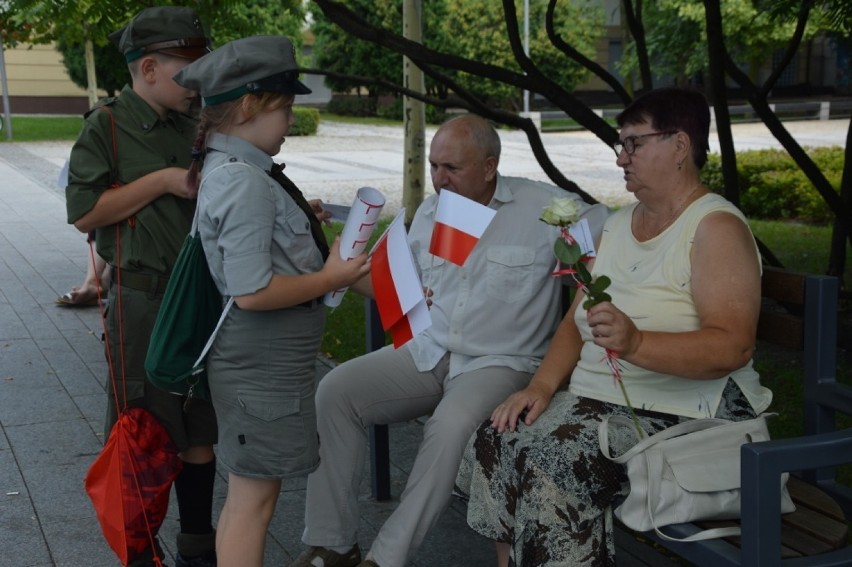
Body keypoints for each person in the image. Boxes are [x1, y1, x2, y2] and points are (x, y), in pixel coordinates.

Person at [455, 87, 773, 566]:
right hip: (605, 403)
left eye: (633, 144)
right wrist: (540, 387)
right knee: (498, 435)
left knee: (553, 461)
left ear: (680, 147)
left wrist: (638, 342)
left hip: (686, 413)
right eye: (620, 145)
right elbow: (575, 320)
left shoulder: (714, 228)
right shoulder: (619, 226)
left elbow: (733, 347)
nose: (622, 158)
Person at [289, 114, 610, 567]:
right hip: (430, 348)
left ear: (489, 165)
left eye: (452, 168)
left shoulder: (543, 208)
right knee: (335, 391)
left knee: (450, 425)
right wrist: (336, 259)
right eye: (435, 166)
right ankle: (331, 544)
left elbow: (614, 231)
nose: (440, 179)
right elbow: (394, 288)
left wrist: (585, 274)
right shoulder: (431, 211)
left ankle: (387, 558)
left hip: (499, 360)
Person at [171, 35, 371, 567]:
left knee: (254, 497)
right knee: (251, 503)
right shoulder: (244, 181)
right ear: (251, 105)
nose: (289, 122)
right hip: (259, 369)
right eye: (285, 109)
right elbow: (252, 292)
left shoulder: (242, 171)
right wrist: (331, 274)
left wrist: (296, 223)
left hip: (266, 368)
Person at [65, 7, 218, 567]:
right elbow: (83, 212)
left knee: (199, 425)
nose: (198, 82)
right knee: (145, 430)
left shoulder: (194, 122)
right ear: (149, 67)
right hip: (143, 301)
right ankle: (139, 551)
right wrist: (160, 181)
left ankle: (198, 550)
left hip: (199, 298)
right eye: (189, 68)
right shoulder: (105, 125)